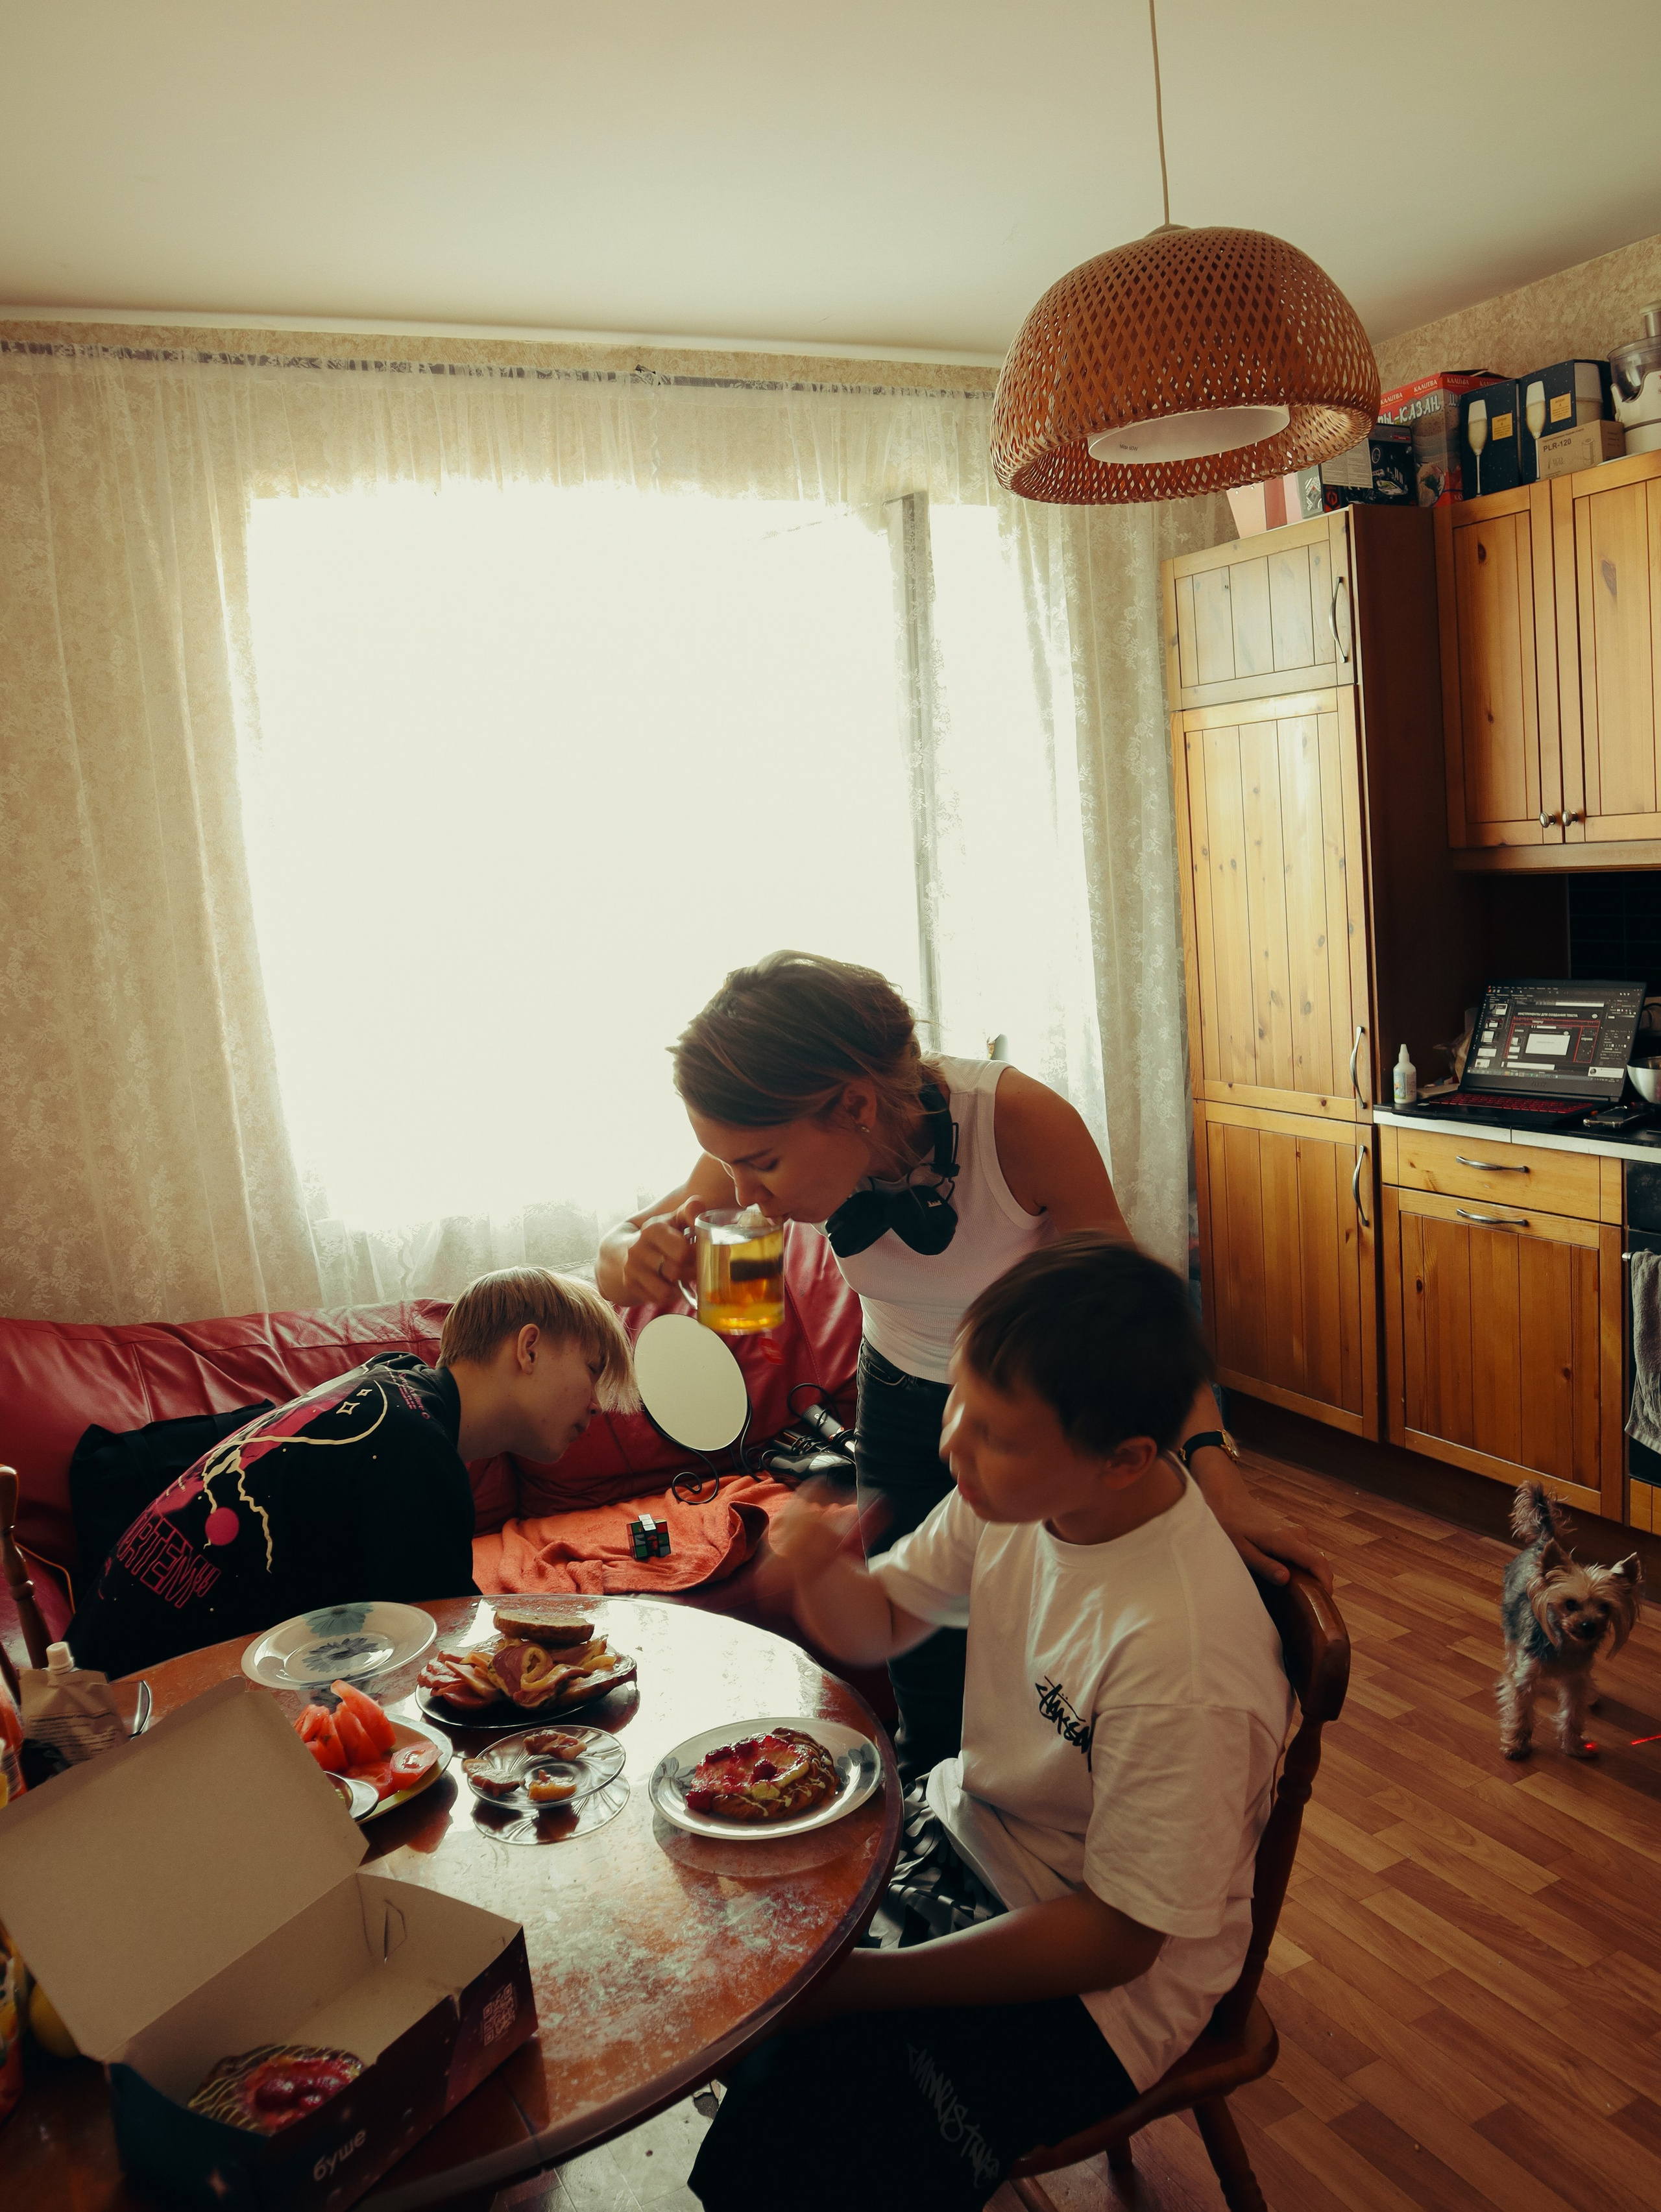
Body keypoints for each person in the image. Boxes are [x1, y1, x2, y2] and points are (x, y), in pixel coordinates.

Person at [596, 949, 1326, 1775]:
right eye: (729, 1164)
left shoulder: (1016, 1123)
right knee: (926, 1667)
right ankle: (942, 1820)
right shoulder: (757, 1140)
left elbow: (1134, 1315)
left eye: (761, 1163)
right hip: (901, 1402)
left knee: (1055, 1649)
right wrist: (639, 1251)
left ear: (857, 1104)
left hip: (1033, 1415)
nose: (744, 1192)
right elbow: (612, 1260)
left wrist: (1216, 1473)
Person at [688, 1237, 1296, 2212]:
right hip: (968, 1843)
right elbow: (884, 1617)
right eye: (959, 1398)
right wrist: (819, 1573)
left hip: (1102, 1987)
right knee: (734, 1955)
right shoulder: (1018, 1497)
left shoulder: (1184, 1655)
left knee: (820, 2107)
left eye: (995, 1431)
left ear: (1126, 1458)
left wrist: (863, 1986)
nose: (950, 1441)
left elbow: (1119, 1939)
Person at [67, 1268, 635, 1679]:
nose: (596, 1405)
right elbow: (440, 1668)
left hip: (101, 1673)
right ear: (529, 1348)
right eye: (592, 1369)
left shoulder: (387, 1391)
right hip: (138, 1716)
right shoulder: (413, 1447)